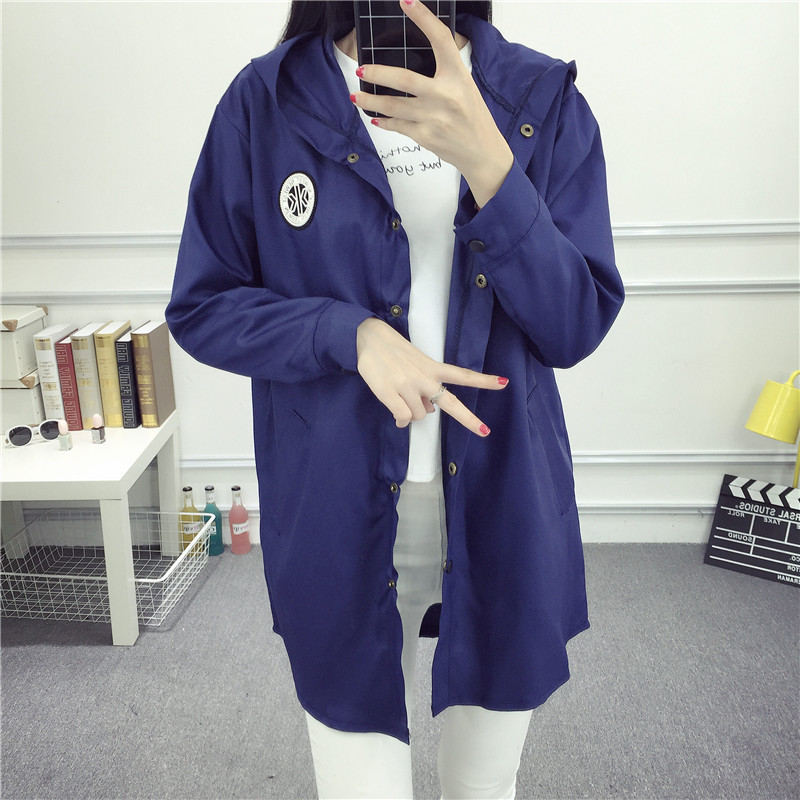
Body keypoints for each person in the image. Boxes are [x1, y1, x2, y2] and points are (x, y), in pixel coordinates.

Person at [166, 0, 624, 796]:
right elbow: (203, 306)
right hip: (335, 505)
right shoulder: (267, 102)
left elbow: (574, 325)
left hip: (504, 502)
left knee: (484, 787)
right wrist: (349, 334)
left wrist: (491, 167)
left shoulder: (538, 98)